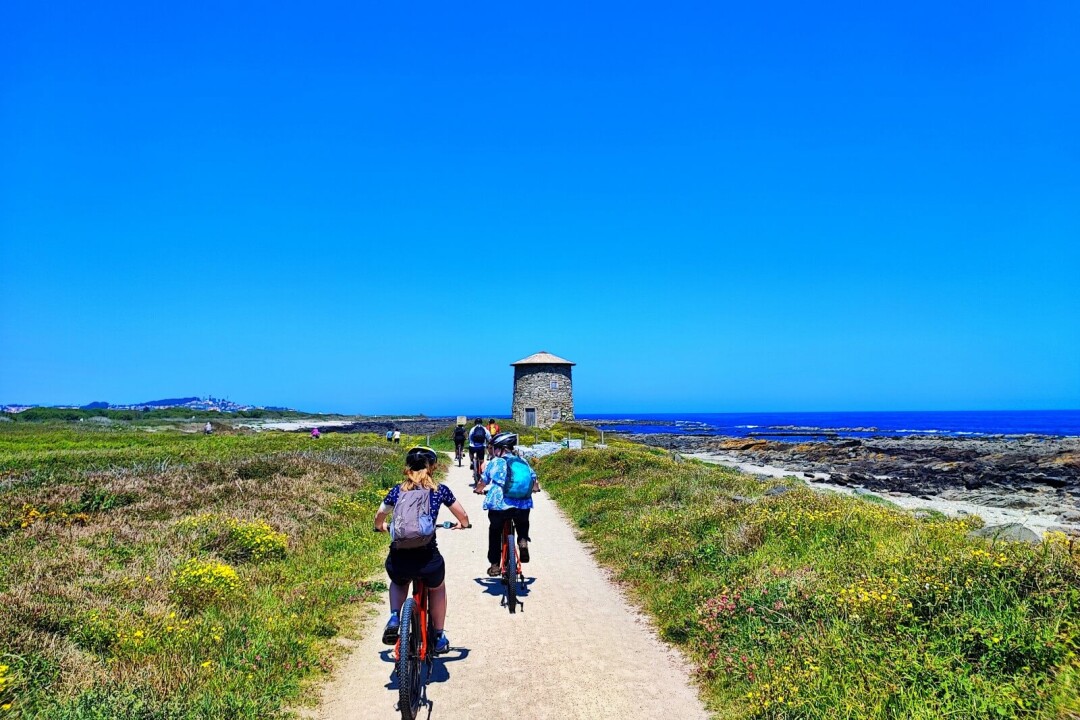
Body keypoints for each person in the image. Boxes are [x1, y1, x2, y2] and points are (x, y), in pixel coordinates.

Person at [373, 446, 470, 653]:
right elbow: (462, 515)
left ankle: (394, 617)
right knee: (437, 587)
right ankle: (439, 636)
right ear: (432, 467)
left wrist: (380, 527)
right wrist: (463, 524)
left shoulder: (397, 490)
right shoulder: (439, 490)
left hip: (399, 558)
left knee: (399, 582)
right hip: (428, 559)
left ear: (407, 468)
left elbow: (380, 515)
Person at [475, 432, 538, 577]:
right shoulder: (522, 461)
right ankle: (522, 540)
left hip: (499, 506)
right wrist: (535, 489)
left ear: (501, 448)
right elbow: (534, 480)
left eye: (495, 448)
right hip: (522, 505)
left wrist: (478, 490)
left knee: (495, 531)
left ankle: (495, 565)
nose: (493, 451)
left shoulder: (495, 462)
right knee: (523, 523)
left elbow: (483, 481)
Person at [467, 418, 489, 485]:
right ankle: (482, 472)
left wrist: (471, 442)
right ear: (481, 422)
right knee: (482, 461)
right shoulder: (484, 429)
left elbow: (470, 437)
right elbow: (489, 437)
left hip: (473, 446)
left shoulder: (473, 429)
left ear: (475, 423)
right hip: (481, 447)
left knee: (471, 452)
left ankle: (471, 461)